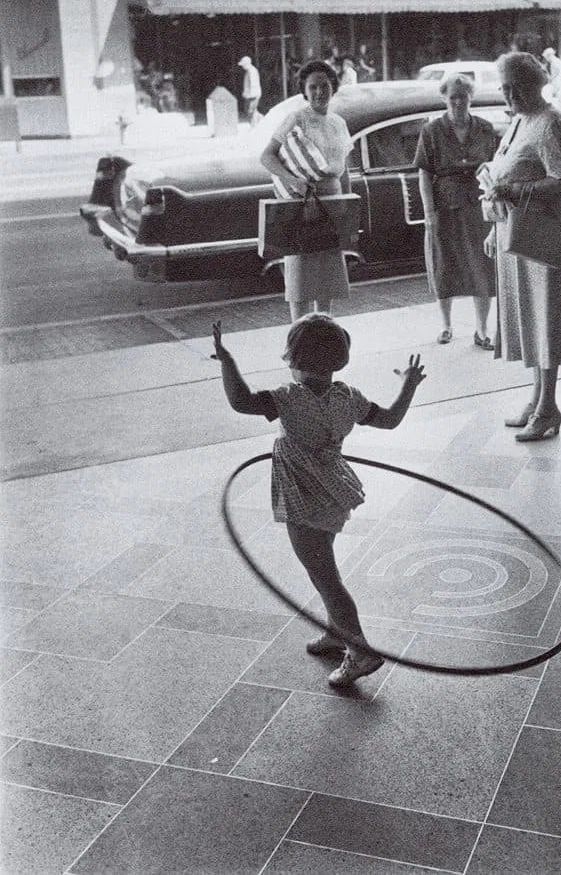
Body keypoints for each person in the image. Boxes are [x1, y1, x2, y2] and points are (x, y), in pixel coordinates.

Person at [211, 314, 426, 688]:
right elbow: (390, 420)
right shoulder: (348, 397)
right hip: (334, 491)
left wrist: (228, 363)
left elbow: (241, 402)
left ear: (292, 358)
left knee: (325, 577)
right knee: (324, 565)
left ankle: (360, 653)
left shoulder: (287, 399)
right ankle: (335, 631)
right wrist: (408, 386)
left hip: (304, 496)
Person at [478, 52, 561, 441]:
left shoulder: (551, 123)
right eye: (504, 88)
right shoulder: (520, 121)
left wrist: (515, 191)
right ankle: (538, 398)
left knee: (547, 320)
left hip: (545, 237)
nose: (508, 95)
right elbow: (503, 171)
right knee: (531, 319)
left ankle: (549, 407)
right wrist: (494, 227)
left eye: (515, 87)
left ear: (535, 83)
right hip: (517, 233)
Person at [261, 60, 353, 323]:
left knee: (327, 278)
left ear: (333, 88)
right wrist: (292, 180)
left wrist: (346, 207)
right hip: (302, 205)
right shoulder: (296, 119)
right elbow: (267, 157)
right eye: (313, 87)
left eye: (324, 86)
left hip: (333, 202)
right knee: (300, 278)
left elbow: (344, 168)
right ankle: (299, 337)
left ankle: (324, 336)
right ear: (305, 90)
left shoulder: (338, 123)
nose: (319, 92)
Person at [413, 73, 499, 348]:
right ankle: (446, 326)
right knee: (444, 266)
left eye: (463, 97)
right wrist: (429, 213)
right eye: (452, 98)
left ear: (471, 98)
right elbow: (424, 174)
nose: (458, 103)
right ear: (444, 99)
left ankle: (482, 330)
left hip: (479, 207)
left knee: (481, 266)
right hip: (444, 208)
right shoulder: (432, 131)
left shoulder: (486, 129)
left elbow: (499, 167)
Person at [239, 55, 262, 125]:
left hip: (253, 95)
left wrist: (250, 95)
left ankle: (254, 126)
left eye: (243, 64)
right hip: (251, 95)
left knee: (251, 111)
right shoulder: (248, 71)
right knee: (252, 111)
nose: (242, 66)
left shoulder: (251, 71)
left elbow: (253, 84)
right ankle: (263, 121)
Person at [542, 47, 561, 112]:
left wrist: (550, 78)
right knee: (560, 99)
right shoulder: (557, 61)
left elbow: (556, 73)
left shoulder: (554, 62)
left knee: (549, 94)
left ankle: (551, 111)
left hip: (557, 82)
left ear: (549, 55)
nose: (546, 59)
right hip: (559, 81)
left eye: (546, 57)